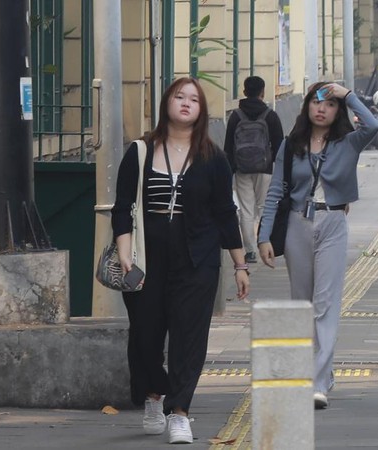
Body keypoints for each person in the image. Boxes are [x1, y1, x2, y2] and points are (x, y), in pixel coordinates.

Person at [112, 77, 250, 444]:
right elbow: (122, 206)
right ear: (166, 103)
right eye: (179, 96)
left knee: (190, 337)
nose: (186, 103)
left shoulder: (213, 157)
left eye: (194, 99)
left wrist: (239, 265)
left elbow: (225, 212)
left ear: (202, 110)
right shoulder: (140, 150)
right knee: (145, 334)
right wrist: (124, 250)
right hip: (147, 258)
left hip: (198, 259)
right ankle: (154, 394)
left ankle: (180, 412)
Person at [257, 82, 378, 410]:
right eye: (316, 102)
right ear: (307, 107)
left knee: (325, 304)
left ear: (338, 110)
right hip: (297, 224)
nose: (322, 108)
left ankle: (318, 380)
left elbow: (375, 124)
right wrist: (264, 236)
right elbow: (275, 193)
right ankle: (314, 372)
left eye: (329, 103)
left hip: (333, 224)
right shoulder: (290, 145)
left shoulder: (348, 142)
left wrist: (348, 94)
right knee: (303, 304)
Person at [223, 76, 284, 264]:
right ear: (263, 92)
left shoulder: (235, 116)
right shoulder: (270, 115)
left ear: (244, 92)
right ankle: (264, 244)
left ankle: (249, 251)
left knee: (246, 210)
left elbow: (228, 147)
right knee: (264, 207)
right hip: (264, 169)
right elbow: (280, 145)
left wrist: (230, 171)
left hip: (241, 169)